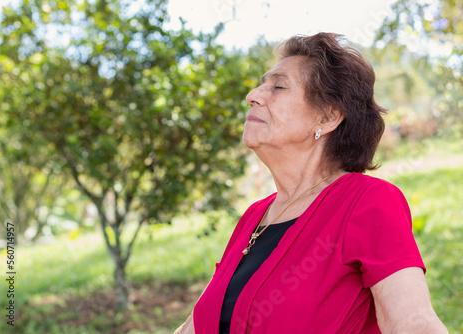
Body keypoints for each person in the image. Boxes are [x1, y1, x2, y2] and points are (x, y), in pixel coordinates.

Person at [175, 33, 448, 333]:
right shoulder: (255, 216)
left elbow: (413, 323)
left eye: (278, 86)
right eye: (261, 84)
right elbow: (194, 326)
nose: (253, 94)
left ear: (328, 117)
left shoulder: (366, 202)